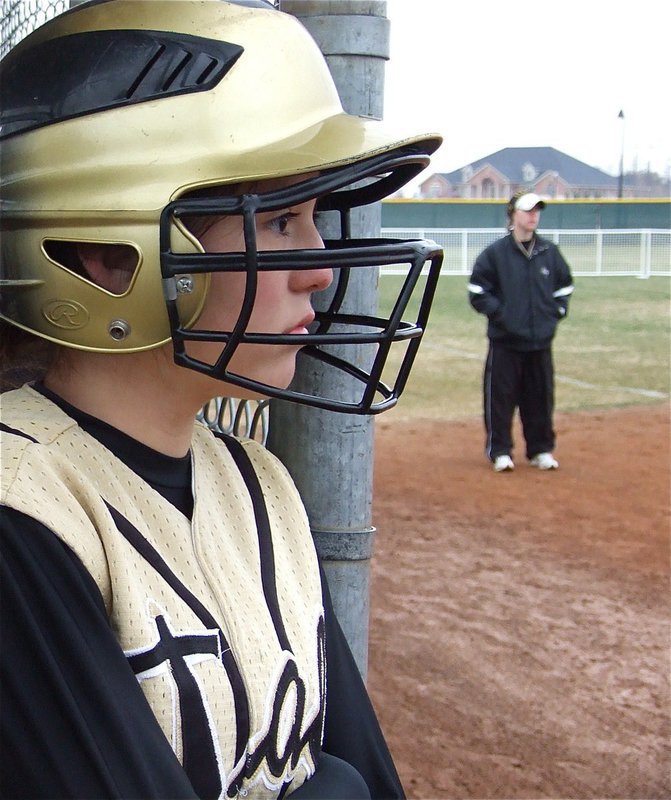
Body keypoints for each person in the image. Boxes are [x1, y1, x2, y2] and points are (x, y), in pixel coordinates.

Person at [0, 1, 444, 798]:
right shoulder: (20, 511)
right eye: (278, 220)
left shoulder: (258, 488)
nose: (321, 269)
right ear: (108, 252)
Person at [467, 191, 574, 472]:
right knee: (500, 400)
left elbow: (565, 287)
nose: (533, 215)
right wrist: (503, 316)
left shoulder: (549, 253)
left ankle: (541, 449)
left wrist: (555, 314)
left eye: (537, 210)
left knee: (540, 399)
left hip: (540, 343)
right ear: (513, 214)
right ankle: (500, 451)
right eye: (528, 210)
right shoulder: (495, 255)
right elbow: (477, 292)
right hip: (505, 344)